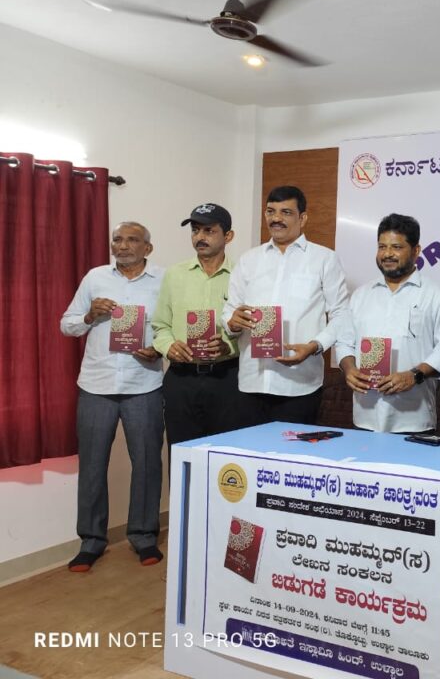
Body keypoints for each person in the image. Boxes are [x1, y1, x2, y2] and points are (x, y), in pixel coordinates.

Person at [59, 222, 164, 571]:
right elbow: (67, 324)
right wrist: (90, 315)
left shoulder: (164, 280)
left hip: (144, 384)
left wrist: (158, 349)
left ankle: (144, 536)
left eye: (132, 240)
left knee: (147, 463)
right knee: (91, 464)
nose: (123, 245)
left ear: (147, 248)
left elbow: (173, 327)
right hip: (96, 385)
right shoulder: (95, 278)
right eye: (117, 239)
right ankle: (91, 541)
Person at [224, 186, 349, 426]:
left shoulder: (324, 259)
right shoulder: (249, 260)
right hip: (252, 381)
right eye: (271, 211)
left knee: (293, 451)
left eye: (286, 212)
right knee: (249, 450)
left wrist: (315, 346)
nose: (276, 218)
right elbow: (231, 309)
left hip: (299, 384)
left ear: (303, 218)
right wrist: (233, 322)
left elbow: (342, 314)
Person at [336, 214, 440, 433]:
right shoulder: (361, 295)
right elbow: (344, 342)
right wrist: (349, 369)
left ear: (416, 250)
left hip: (413, 419)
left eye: (396, 247)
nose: (387, 254)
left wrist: (414, 375)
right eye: (382, 247)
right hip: (365, 417)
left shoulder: (435, 295)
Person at [152, 203, 241, 448]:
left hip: (228, 379)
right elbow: (160, 325)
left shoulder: (242, 275)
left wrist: (229, 346)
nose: (200, 237)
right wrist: (168, 346)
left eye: (209, 230)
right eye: (195, 230)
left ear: (228, 236)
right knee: (182, 454)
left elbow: (252, 328)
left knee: (226, 456)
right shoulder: (174, 274)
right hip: (182, 378)